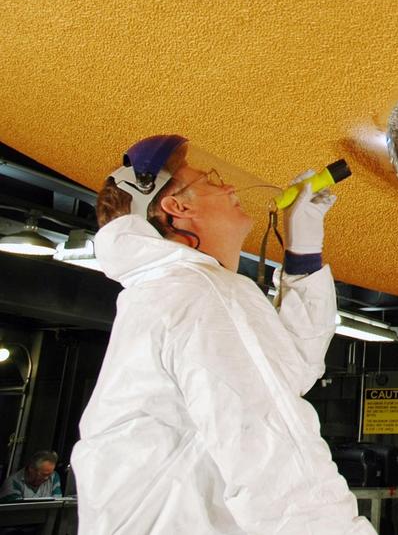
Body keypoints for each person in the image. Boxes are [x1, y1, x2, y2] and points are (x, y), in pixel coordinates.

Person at [71, 135, 375, 534]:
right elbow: (269, 449)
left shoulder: (177, 291)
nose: (229, 186)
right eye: (210, 180)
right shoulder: (196, 292)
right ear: (177, 208)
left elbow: (288, 370)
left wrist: (303, 249)